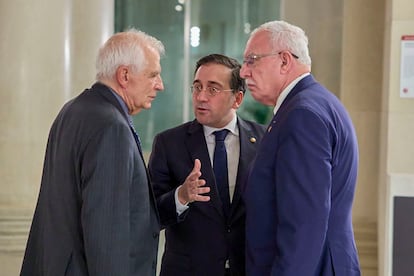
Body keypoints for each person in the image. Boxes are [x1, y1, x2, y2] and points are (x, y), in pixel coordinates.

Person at [20, 28, 164, 276]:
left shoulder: (72, 110)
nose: (159, 85)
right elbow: (106, 232)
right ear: (125, 75)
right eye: (153, 75)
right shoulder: (112, 127)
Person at [239, 20, 361, 275]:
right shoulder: (313, 103)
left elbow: (304, 224)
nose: (243, 72)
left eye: (252, 60)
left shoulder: (302, 115)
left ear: (284, 60)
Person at [148, 54, 266, 276]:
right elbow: (150, 215)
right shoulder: (169, 143)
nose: (201, 97)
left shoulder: (263, 140)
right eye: (197, 87)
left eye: (213, 89)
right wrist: (181, 196)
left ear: (237, 99)